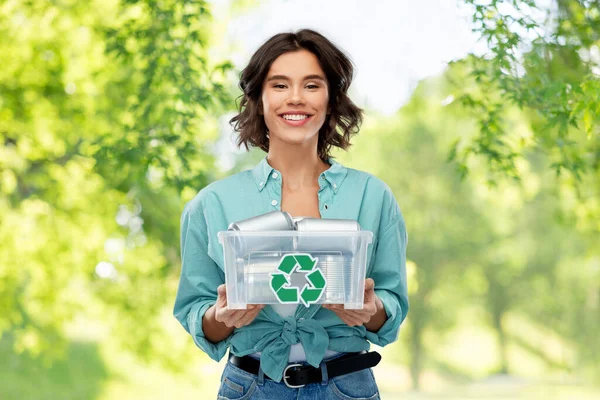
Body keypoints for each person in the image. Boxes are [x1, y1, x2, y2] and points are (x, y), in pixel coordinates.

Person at [173, 28, 408, 399]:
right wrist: (220, 317)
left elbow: (391, 304)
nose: (295, 98)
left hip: (346, 387)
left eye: (312, 85)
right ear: (259, 99)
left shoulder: (372, 196)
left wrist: (371, 308)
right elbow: (195, 309)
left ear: (331, 100)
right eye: (280, 85)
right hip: (250, 387)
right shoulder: (211, 204)